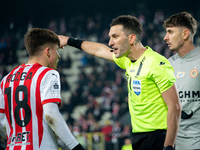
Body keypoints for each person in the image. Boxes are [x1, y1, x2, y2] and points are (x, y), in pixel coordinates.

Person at [58, 15, 182, 150]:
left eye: (115, 36)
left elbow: (174, 106)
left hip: (157, 137)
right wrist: (68, 40)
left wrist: (168, 146)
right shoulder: (127, 60)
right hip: (138, 136)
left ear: (131, 38)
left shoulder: (157, 64)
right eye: (110, 37)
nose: (110, 42)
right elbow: (99, 50)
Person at [0, 28, 85, 150]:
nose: (59, 56)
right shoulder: (48, 73)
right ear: (48, 51)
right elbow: (50, 114)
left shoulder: (6, 80)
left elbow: (1, 121)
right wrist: (75, 146)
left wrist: (16, 140)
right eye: (57, 51)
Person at [163, 12, 199, 150]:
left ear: (185, 34)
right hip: (173, 145)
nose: (165, 37)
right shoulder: (167, 64)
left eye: (170, 32)